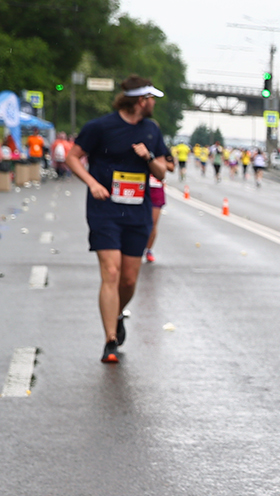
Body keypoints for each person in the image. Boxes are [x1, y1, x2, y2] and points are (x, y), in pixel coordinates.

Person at [63, 75, 169, 364]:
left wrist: (148, 156)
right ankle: (110, 340)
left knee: (129, 278)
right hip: (105, 210)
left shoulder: (151, 130)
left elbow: (161, 172)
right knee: (111, 272)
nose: (154, 103)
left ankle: (117, 313)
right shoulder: (100, 127)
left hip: (137, 211)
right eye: (151, 98)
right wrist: (92, 183)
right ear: (140, 100)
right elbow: (72, 157)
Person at [144, 150, 176, 263]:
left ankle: (148, 250)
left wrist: (156, 161)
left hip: (156, 188)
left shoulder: (161, 149)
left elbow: (171, 167)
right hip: (140, 187)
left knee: (153, 223)